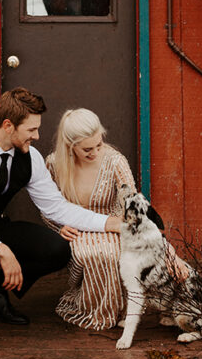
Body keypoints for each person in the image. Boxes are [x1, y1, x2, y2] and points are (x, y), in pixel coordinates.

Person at [0, 87, 125, 336]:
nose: (38, 136)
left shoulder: (30, 158)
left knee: (57, 249)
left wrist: (108, 223)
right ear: (8, 126)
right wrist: (2, 251)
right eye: (31, 130)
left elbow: (56, 207)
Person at [44, 107, 136, 330]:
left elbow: (130, 199)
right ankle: (92, 309)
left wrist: (126, 221)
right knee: (91, 253)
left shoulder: (115, 161)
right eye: (87, 149)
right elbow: (47, 204)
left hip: (111, 224)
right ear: (70, 146)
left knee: (108, 253)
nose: (95, 152)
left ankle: (115, 309)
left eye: (99, 144)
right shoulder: (54, 164)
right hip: (76, 228)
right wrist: (58, 226)